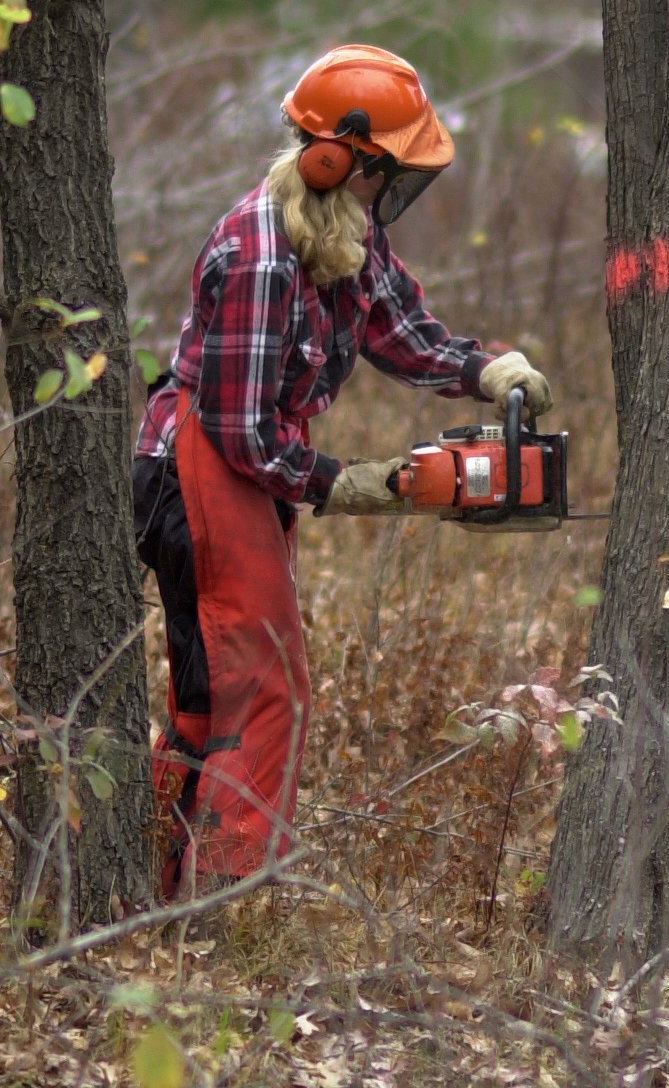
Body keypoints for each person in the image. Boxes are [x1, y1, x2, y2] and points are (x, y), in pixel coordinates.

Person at [132, 44, 552, 900]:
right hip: (200, 468)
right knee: (265, 692)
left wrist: (488, 371)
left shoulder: (350, 237)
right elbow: (242, 429)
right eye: (386, 173)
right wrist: (342, 482)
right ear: (338, 158)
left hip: (235, 471)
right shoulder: (263, 251)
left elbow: (404, 330)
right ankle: (222, 904)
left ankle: (142, 882)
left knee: (211, 703)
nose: (395, 191)